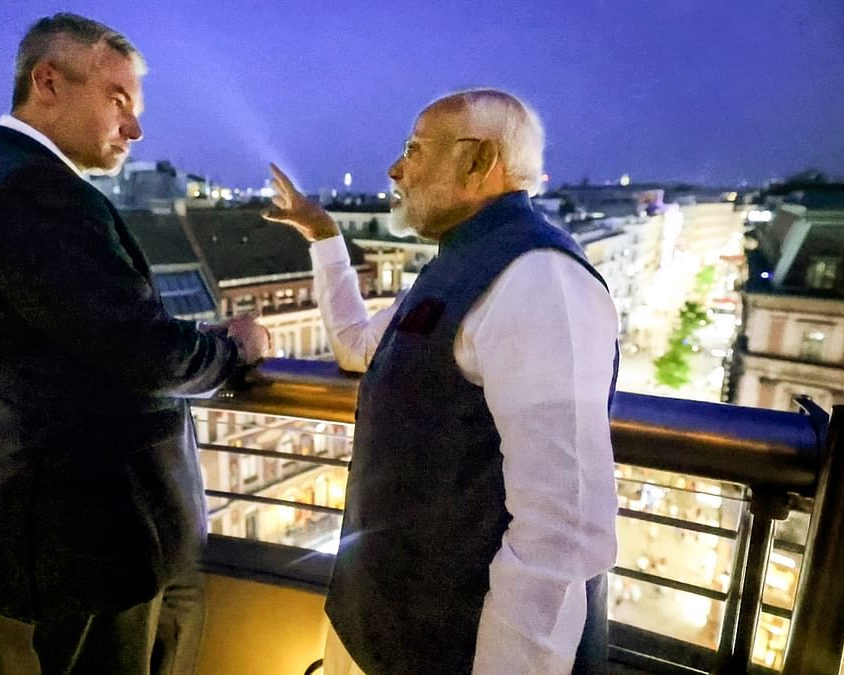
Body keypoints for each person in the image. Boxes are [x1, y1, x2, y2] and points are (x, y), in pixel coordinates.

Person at [0, 13, 269, 675]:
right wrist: (233, 353)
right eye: (119, 100)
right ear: (48, 81)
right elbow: (139, 348)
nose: (135, 128)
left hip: (67, 514)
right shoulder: (37, 191)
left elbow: (86, 330)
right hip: (98, 526)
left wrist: (188, 337)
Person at [263, 89, 620, 674]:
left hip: (450, 644)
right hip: (385, 625)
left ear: (478, 161)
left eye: (415, 149)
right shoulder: (460, 266)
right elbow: (359, 348)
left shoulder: (541, 279)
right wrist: (325, 236)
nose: (396, 168)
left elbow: (562, 528)